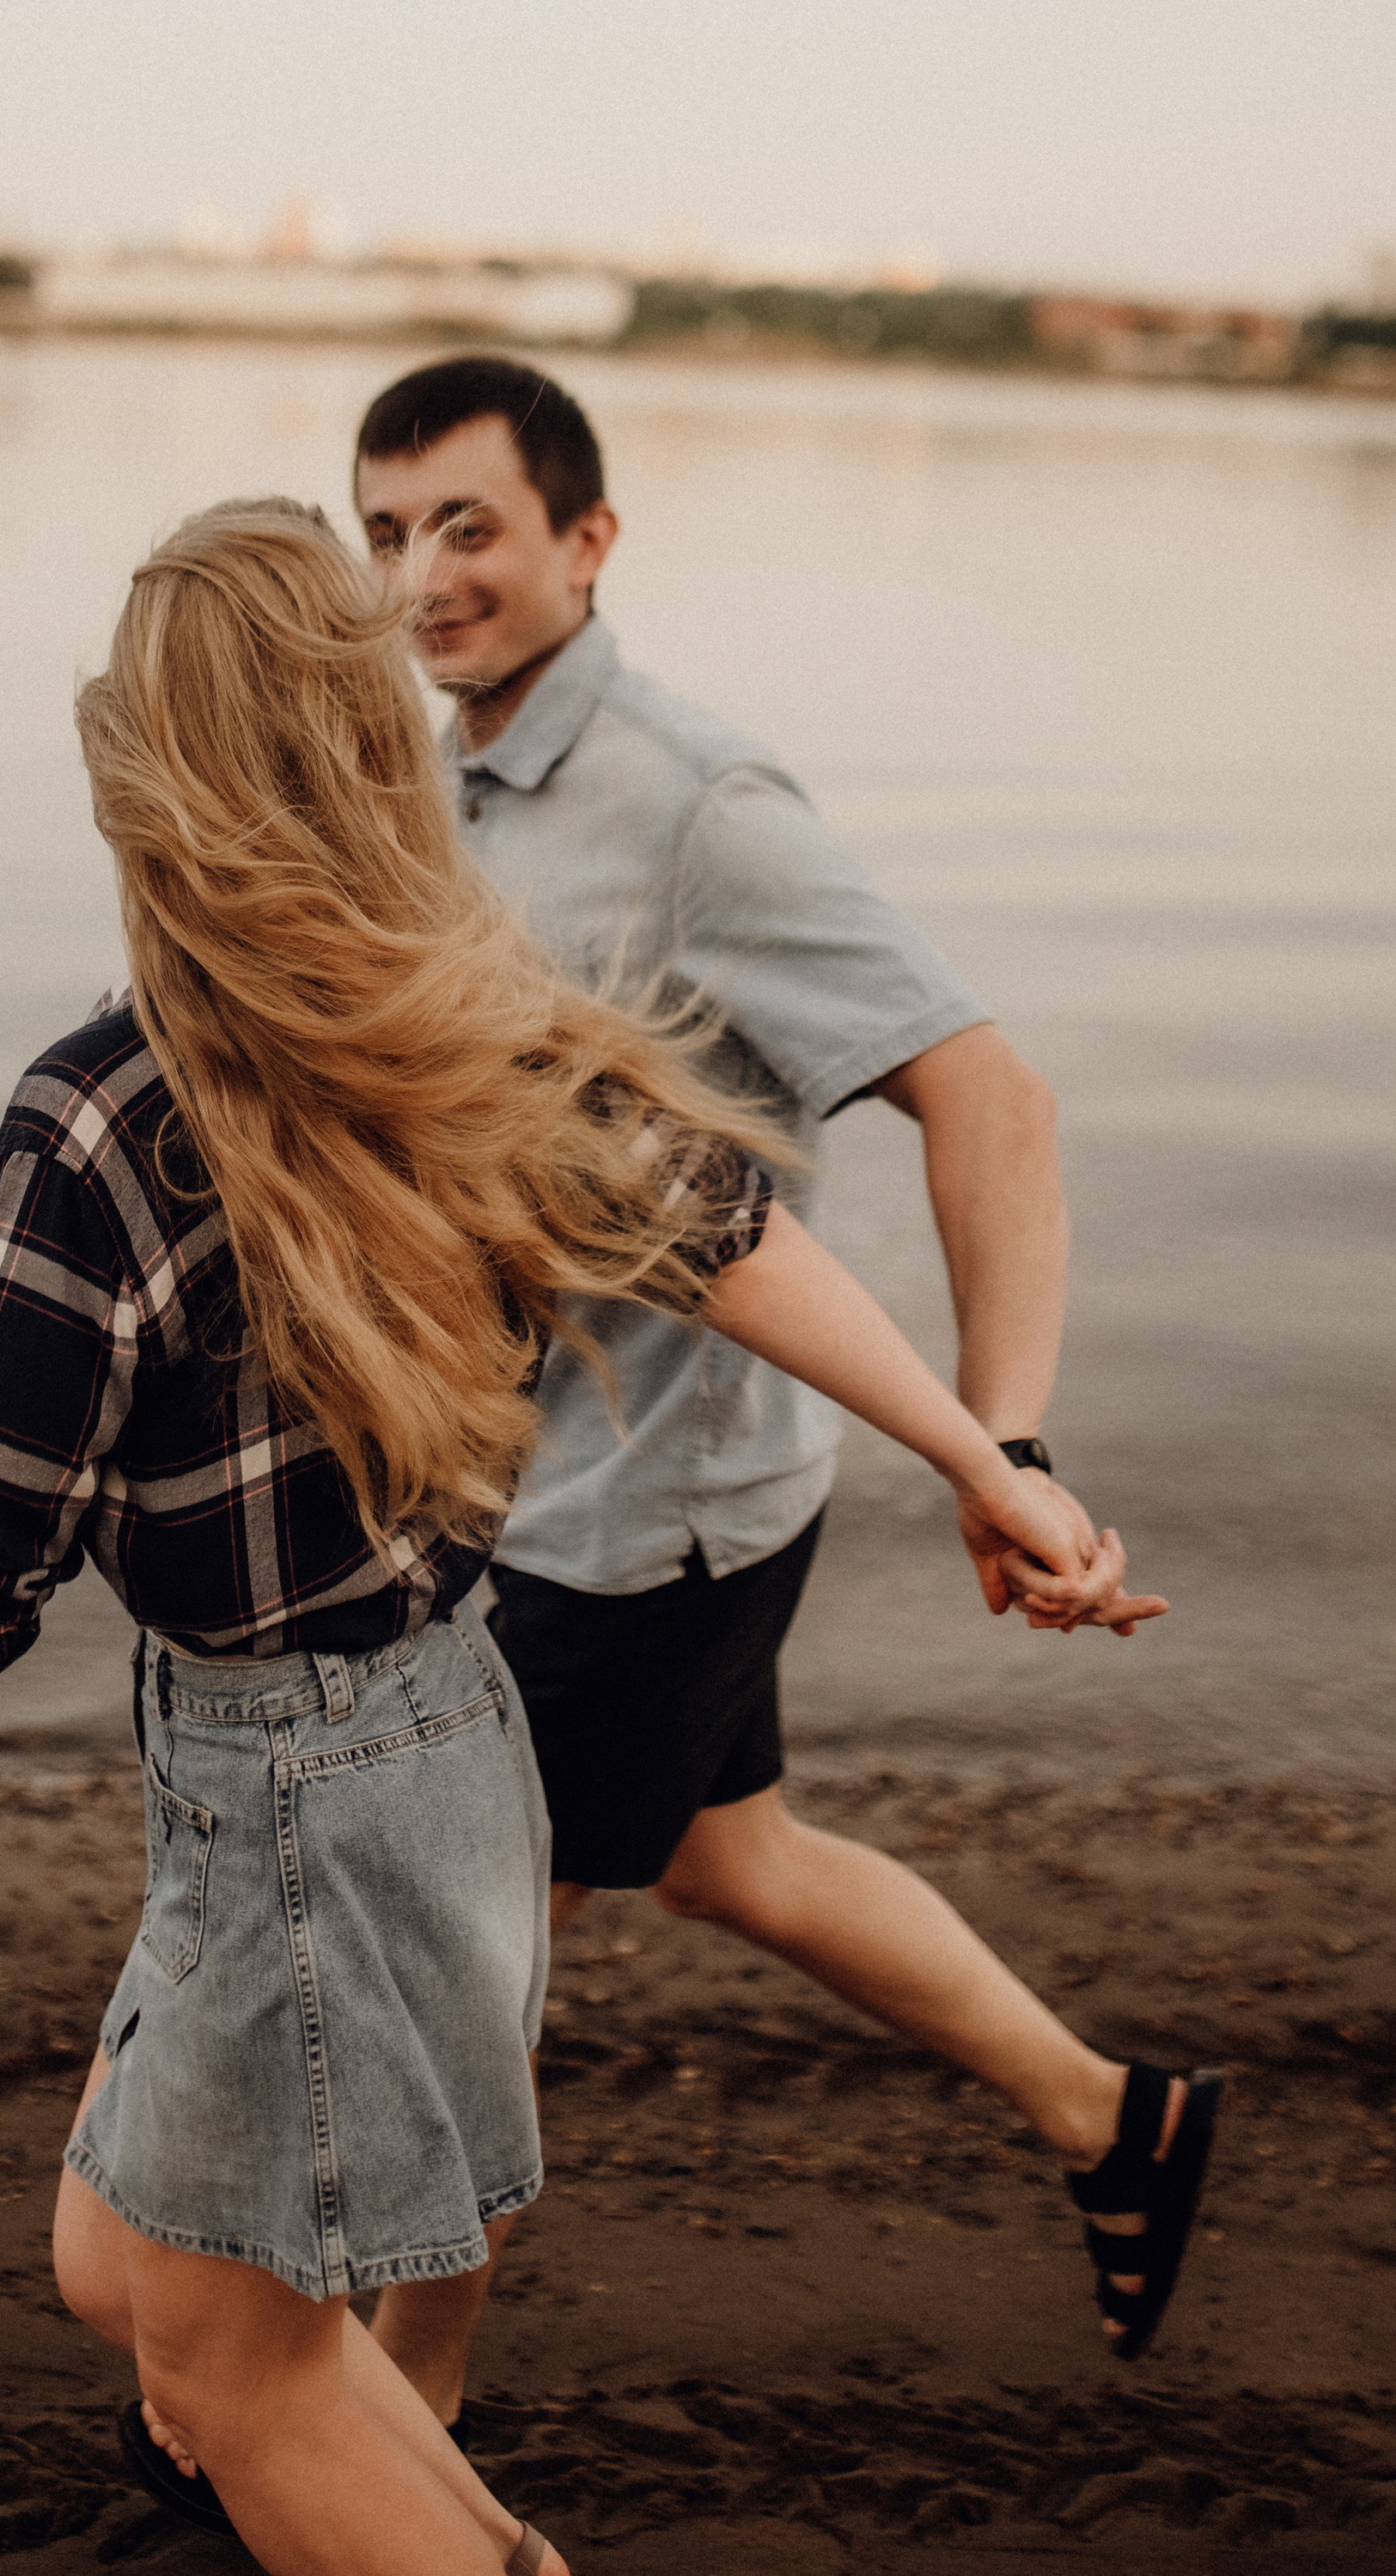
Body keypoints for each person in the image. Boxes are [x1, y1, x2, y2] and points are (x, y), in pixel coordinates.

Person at [0, 502, 1157, 2576]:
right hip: (446, 1748)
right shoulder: (469, 1026)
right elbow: (729, 1241)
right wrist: (980, 1451)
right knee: (116, 2271)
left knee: (237, 2375)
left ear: (145, 784)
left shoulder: (101, 1128)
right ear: (373, 752)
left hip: (303, 1804)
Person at [351, 361, 1222, 2425]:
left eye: (465, 526)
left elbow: (983, 1090)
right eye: (383, 531)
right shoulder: (445, 780)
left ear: (585, 541)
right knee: (729, 1854)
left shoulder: (694, 804)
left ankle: (400, 2417)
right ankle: (1111, 2120)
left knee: (470, 1959)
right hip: (550, 1482)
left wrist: (999, 1442)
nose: (420, 575)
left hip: (634, 1521)